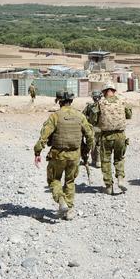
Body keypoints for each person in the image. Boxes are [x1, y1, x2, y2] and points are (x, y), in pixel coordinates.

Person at [34, 91, 94, 220]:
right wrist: (86, 151)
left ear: (59, 101)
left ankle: (61, 199)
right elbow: (90, 135)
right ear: (71, 101)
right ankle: (70, 210)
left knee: (54, 179)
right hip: (74, 155)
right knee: (70, 181)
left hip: (58, 155)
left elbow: (44, 136)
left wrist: (37, 151)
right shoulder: (80, 116)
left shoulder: (55, 116)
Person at [90, 82, 132, 195]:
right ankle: (120, 178)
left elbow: (93, 120)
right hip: (120, 135)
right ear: (114, 91)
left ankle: (109, 186)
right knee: (119, 158)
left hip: (106, 136)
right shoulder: (122, 101)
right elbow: (129, 115)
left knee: (106, 161)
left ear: (104, 92)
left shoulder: (100, 103)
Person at [82, 91, 103, 168]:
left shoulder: (89, 106)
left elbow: (82, 116)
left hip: (92, 129)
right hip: (102, 129)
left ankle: (94, 160)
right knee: (100, 145)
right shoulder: (104, 106)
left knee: (93, 144)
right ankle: (99, 161)